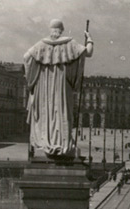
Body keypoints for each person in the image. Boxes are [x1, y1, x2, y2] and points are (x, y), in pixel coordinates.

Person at [24, 19, 94, 158]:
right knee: (63, 113)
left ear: (51, 29)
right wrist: (90, 40)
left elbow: (26, 57)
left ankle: (46, 143)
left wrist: (33, 79)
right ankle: (64, 143)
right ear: (61, 30)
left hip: (44, 89)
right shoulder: (69, 44)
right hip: (63, 87)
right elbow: (88, 53)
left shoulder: (41, 45)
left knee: (46, 114)